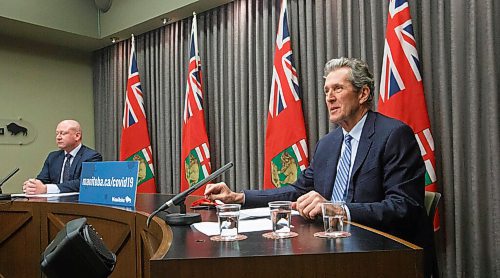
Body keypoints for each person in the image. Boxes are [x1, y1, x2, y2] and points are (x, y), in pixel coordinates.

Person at [205, 57, 435, 276]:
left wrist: (338, 209)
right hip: (329, 247)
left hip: (380, 253)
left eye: (338, 89)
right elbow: (297, 190)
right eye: (326, 91)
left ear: (363, 93)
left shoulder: (393, 135)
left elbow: (403, 206)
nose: (330, 97)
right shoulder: (328, 143)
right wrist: (238, 197)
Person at [22, 120, 102, 194]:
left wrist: (47, 189)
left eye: (63, 133)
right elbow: (43, 180)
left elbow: (84, 183)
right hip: (53, 205)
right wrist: (32, 185)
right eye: (57, 134)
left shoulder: (91, 156)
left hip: (79, 205)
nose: (58, 137)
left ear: (77, 136)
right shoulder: (53, 157)